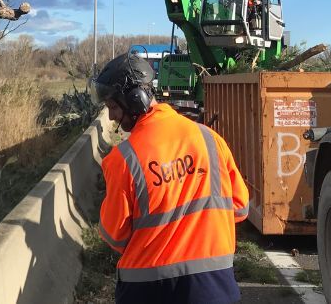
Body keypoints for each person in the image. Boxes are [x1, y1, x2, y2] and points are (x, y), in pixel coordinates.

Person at [92, 54, 249, 304]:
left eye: (112, 107)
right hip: (214, 287)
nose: (111, 118)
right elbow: (240, 208)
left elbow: (115, 236)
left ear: (135, 101)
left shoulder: (122, 160)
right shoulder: (210, 140)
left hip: (147, 290)